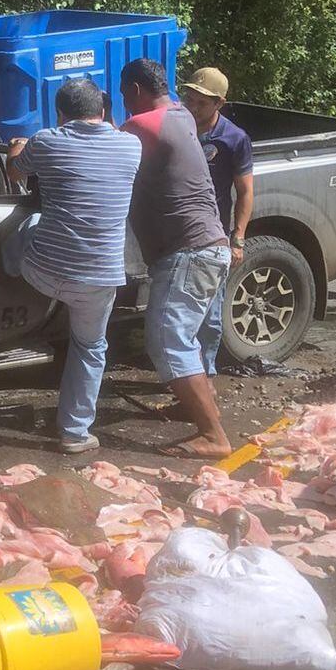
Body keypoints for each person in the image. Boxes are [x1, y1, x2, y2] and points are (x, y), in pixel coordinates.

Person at [6, 78, 142, 454]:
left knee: (25, 224)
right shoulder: (131, 146)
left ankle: (6, 276)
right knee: (90, 346)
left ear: (60, 115)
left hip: (43, 272)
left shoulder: (46, 141)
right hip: (98, 280)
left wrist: (16, 149)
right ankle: (75, 433)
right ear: (102, 110)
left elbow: (14, 172)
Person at [119, 58, 233, 459]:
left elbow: (101, 152)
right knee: (183, 338)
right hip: (207, 246)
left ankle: (214, 435)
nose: (123, 102)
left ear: (133, 91)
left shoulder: (141, 127)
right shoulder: (181, 115)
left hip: (189, 253)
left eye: (123, 95)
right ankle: (201, 409)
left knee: (167, 341)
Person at [181, 66, 254, 375]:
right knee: (179, 313)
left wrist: (237, 238)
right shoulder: (179, 127)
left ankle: (206, 374)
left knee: (209, 315)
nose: (192, 107)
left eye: (201, 103)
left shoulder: (234, 139)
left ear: (219, 104)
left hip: (213, 238)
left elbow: (245, 190)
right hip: (176, 232)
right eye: (190, 99)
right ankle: (182, 374)